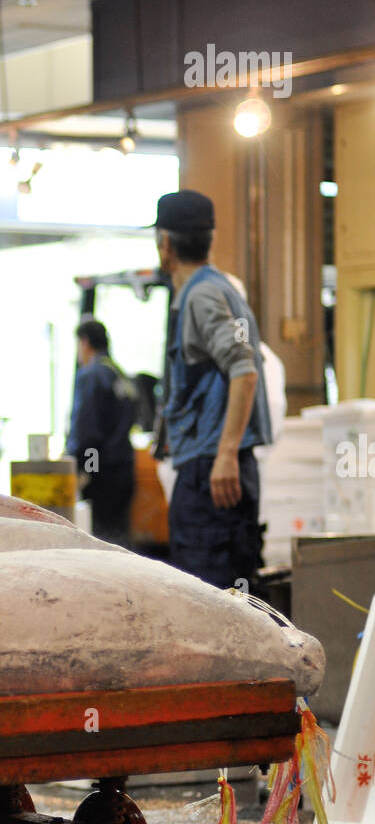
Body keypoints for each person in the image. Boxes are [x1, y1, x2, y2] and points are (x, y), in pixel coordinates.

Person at [155, 189, 272, 589]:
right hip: (219, 469)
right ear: (211, 239)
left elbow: (245, 368)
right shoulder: (221, 288)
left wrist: (224, 455)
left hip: (211, 474)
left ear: (164, 244)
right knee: (230, 598)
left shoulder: (201, 295)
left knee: (207, 596)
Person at [66, 317, 137, 546]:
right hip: (123, 469)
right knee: (119, 539)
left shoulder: (92, 375)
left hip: (102, 474)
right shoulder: (119, 373)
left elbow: (87, 430)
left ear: (85, 342)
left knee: (100, 541)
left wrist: (84, 471)